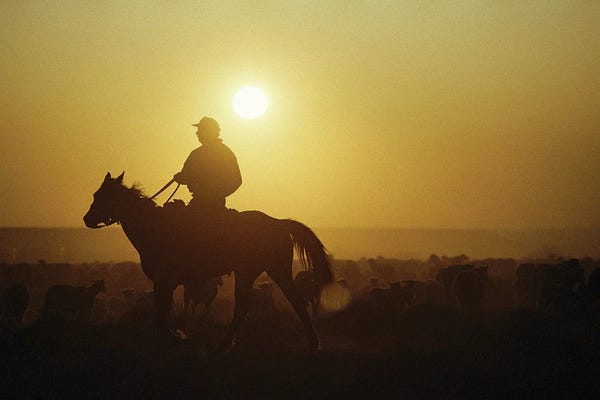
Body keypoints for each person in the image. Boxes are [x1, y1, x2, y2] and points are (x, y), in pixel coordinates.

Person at [173, 117, 242, 214]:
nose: (197, 133)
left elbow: (236, 180)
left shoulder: (222, 153)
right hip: (199, 202)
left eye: (200, 130)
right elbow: (186, 175)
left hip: (212, 205)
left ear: (208, 132)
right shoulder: (197, 153)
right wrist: (182, 177)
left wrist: (213, 195)